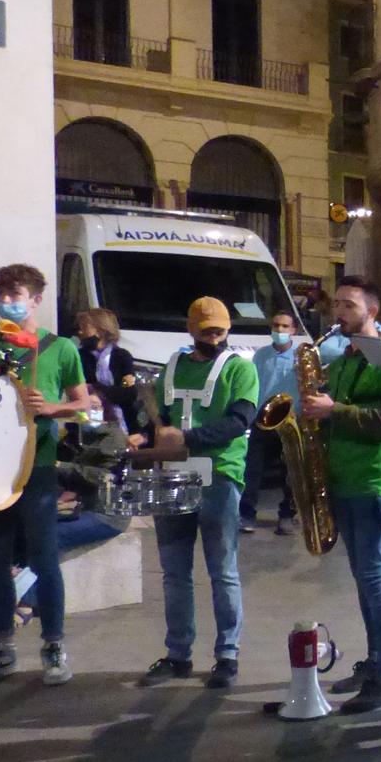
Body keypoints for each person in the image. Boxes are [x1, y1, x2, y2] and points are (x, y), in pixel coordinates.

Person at [0, 264, 91, 688]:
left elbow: (85, 404)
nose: (6, 301)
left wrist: (51, 408)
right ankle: (2, 648)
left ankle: (53, 645)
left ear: (35, 299)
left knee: (44, 560)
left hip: (37, 467)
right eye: (1, 293)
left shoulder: (61, 349)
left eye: (15, 294)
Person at [134, 296, 260, 691]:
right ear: (191, 329)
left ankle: (228, 654)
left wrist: (186, 438)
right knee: (174, 573)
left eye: (219, 328)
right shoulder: (171, 368)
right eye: (206, 328)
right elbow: (159, 417)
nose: (214, 335)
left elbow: (239, 421)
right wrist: (145, 434)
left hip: (219, 476)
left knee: (222, 570)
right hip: (173, 476)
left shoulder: (240, 370)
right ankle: (178, 655)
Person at [304, 278, 381, 711]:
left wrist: (334, 411)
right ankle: (374, 663)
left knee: (373, 576)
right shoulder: (346, 356)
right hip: (346, 477)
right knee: (364, 577)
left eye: (349, 305)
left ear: (373, 311)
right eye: (337, 305)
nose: (339, 313)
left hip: (375, 478)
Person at [242, 310, 302, 536]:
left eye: (285, 327)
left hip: (290, 423)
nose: (280, 331)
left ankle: (287, 515)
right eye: (276, 326)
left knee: (290, 474)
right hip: (262, 421)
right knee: (252, 470)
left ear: (294, 330)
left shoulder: (300, 357)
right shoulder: (261, 356)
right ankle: (246, 513)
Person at [73, 308, 135, 430]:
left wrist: (97, 389)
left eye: (84, 327)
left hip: (119, 422)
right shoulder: (79, 356)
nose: (80, 332)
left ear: (101, 331)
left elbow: (128, 392)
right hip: (86, 421)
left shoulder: (122, 356)